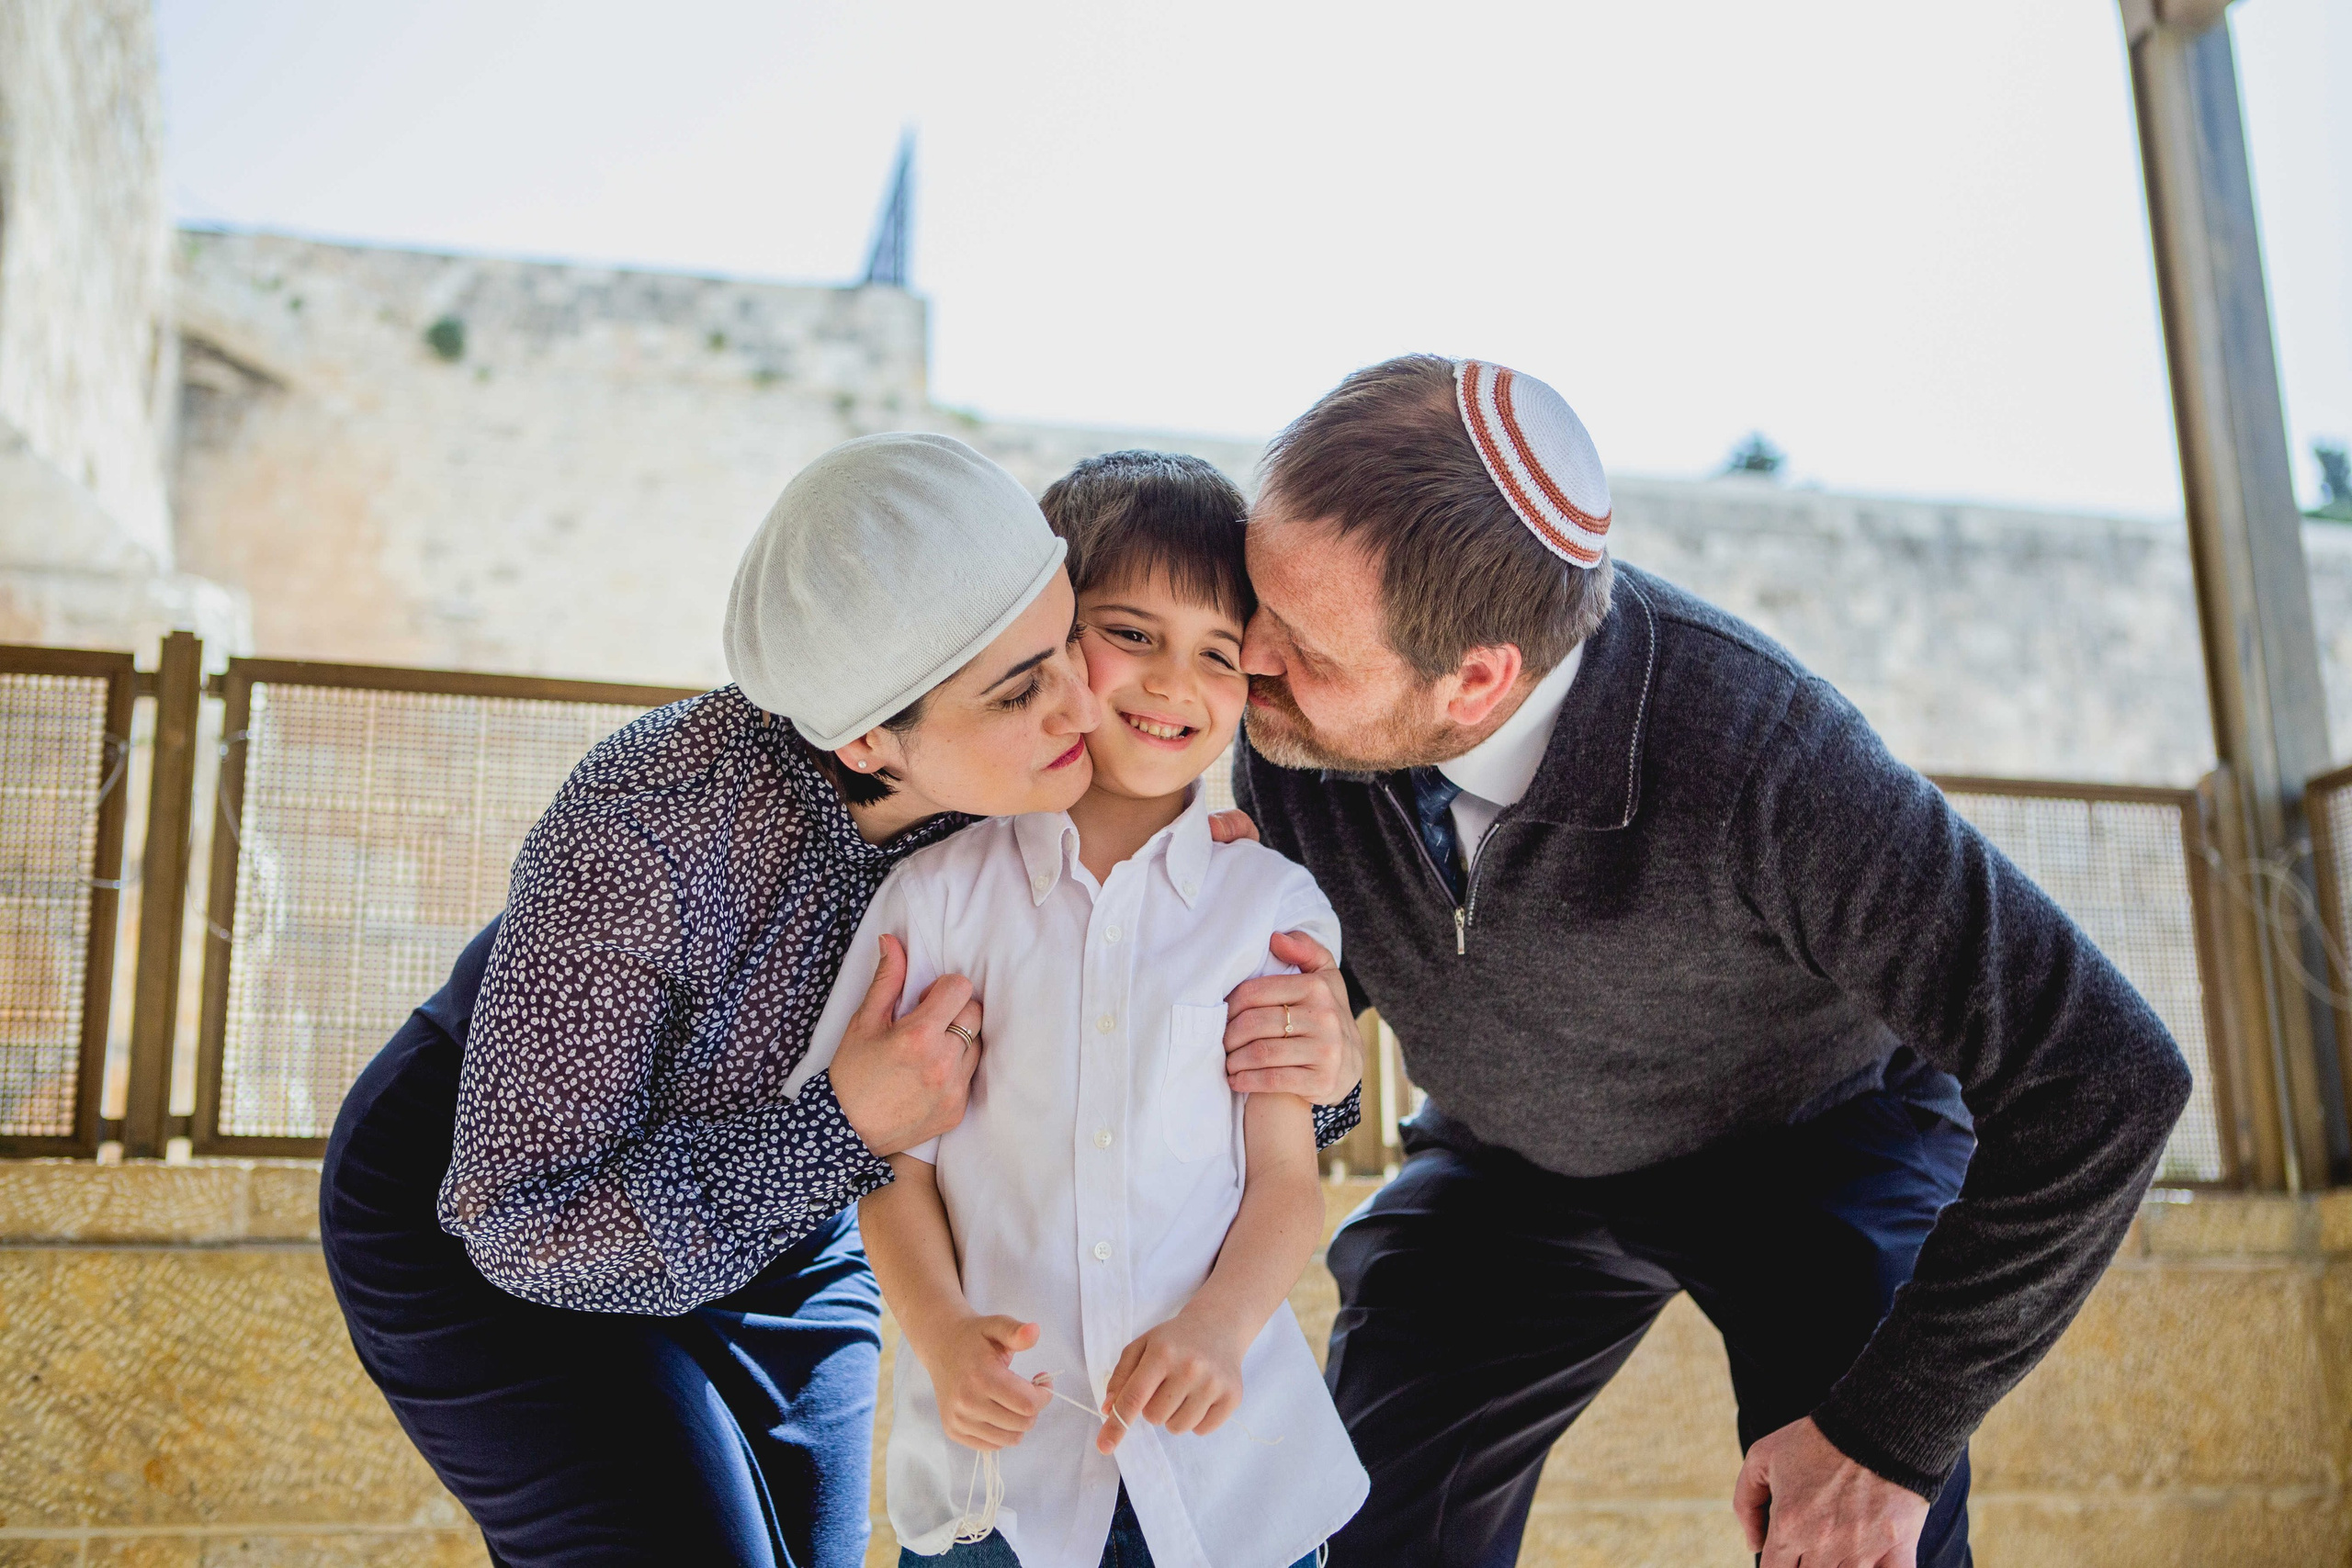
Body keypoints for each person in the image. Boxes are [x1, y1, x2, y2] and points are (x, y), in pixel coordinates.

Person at [319, 433, 1364, 1568]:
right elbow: (522, 1224)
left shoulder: (1032, 791)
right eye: (1026, 687)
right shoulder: (644, 827)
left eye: (1063, 640)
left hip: (797, 1209)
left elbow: (1121, 1042)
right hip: (517, 1223)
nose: (1081, 710)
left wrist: (1313, 1070)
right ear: (867, 738)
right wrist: (842, 1128)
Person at [1227, 356, 2193, 1568]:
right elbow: (1329, 1014)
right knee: (1347, 1518)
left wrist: (1891, 1440)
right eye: (1252, 598)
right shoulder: (1293, 726)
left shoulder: (1766, 757)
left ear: (1479, 677)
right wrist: (1319, 1065)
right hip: (1513, 1151)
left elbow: (2108, 1073)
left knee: (1853, 1540)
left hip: (1815, 1145)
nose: (1245, 657)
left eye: (1302, 643)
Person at [801, 451, 1367, 1568]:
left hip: (1230, 1484)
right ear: (1049, 634)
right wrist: (945, 1335)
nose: (1173, 684)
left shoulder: (1272, 909)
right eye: (1132, 634)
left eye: (1217, 654)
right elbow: (890, 1169)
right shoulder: (935, 896)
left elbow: (1287, 1184)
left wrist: (1217, 1327)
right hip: (999, 1490)